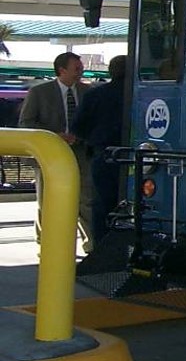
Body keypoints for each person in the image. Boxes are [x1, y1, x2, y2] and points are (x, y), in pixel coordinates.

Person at [18, 52, 93, 251]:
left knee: (86, 199)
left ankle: (90, 245)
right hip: (49, 154)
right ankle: (47, 244)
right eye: (76, 68)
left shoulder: (88, 92)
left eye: (81, 68)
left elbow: (94, 123)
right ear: (62, 70)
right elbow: (26, 123)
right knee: (48, 200)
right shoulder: (39, 93)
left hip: (81, 152)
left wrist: (80, 137)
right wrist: (55, 136)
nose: (81, 71)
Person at [73, 55, 126, 244]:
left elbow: (78, 127)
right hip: (138, 156)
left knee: (102, 204)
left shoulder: (95, 94)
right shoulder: (143, 95)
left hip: (104, 154)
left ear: (111, 71)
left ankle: (102, 247)